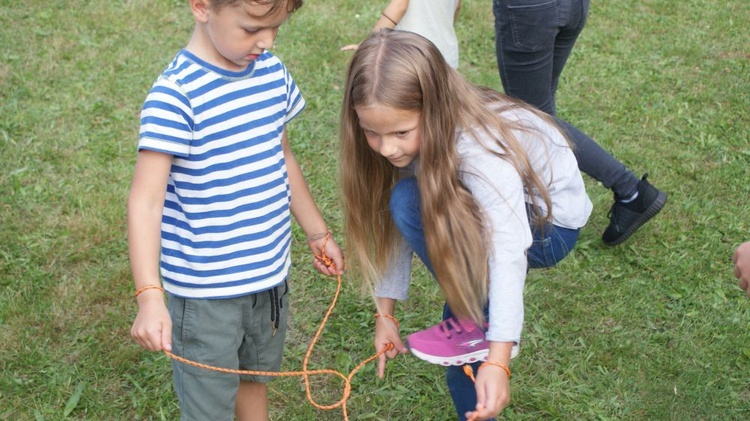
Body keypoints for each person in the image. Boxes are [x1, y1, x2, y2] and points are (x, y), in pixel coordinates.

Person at [339, 30, 592, 421]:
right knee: (406, 201)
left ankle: (478, 320)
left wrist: (499, 358)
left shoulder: (477, 152)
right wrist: (384, 314)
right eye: (372, 133)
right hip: (495, 209)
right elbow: (401, 221)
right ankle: (473, 322)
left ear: (434, 109)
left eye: (401, 133)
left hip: (548, 227)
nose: (387, 148)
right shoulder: (419, 134)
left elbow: (508, 249)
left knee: (464, 332)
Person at [127, 1, 345, 420]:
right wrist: (150, 296)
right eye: (250, 29)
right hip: (207, 295)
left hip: (268, 280)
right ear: (202, 7)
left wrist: (317, 233)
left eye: (275, 29)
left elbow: (282, 156)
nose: (265, 42)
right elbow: (145, 201)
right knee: (209, 405)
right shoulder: (176, 95)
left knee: (255, 377)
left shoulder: (271, 73)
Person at [492, 0, 667, 246]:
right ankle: (538, 189)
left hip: (529, 11)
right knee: (541, 111)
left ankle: (631, 191)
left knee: (533, 118)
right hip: (572, 6)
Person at [340, 0, 462, 69]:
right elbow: (457, 7)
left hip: (412, 55)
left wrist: (369, 44)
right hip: (447, 53)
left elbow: (399, 5)